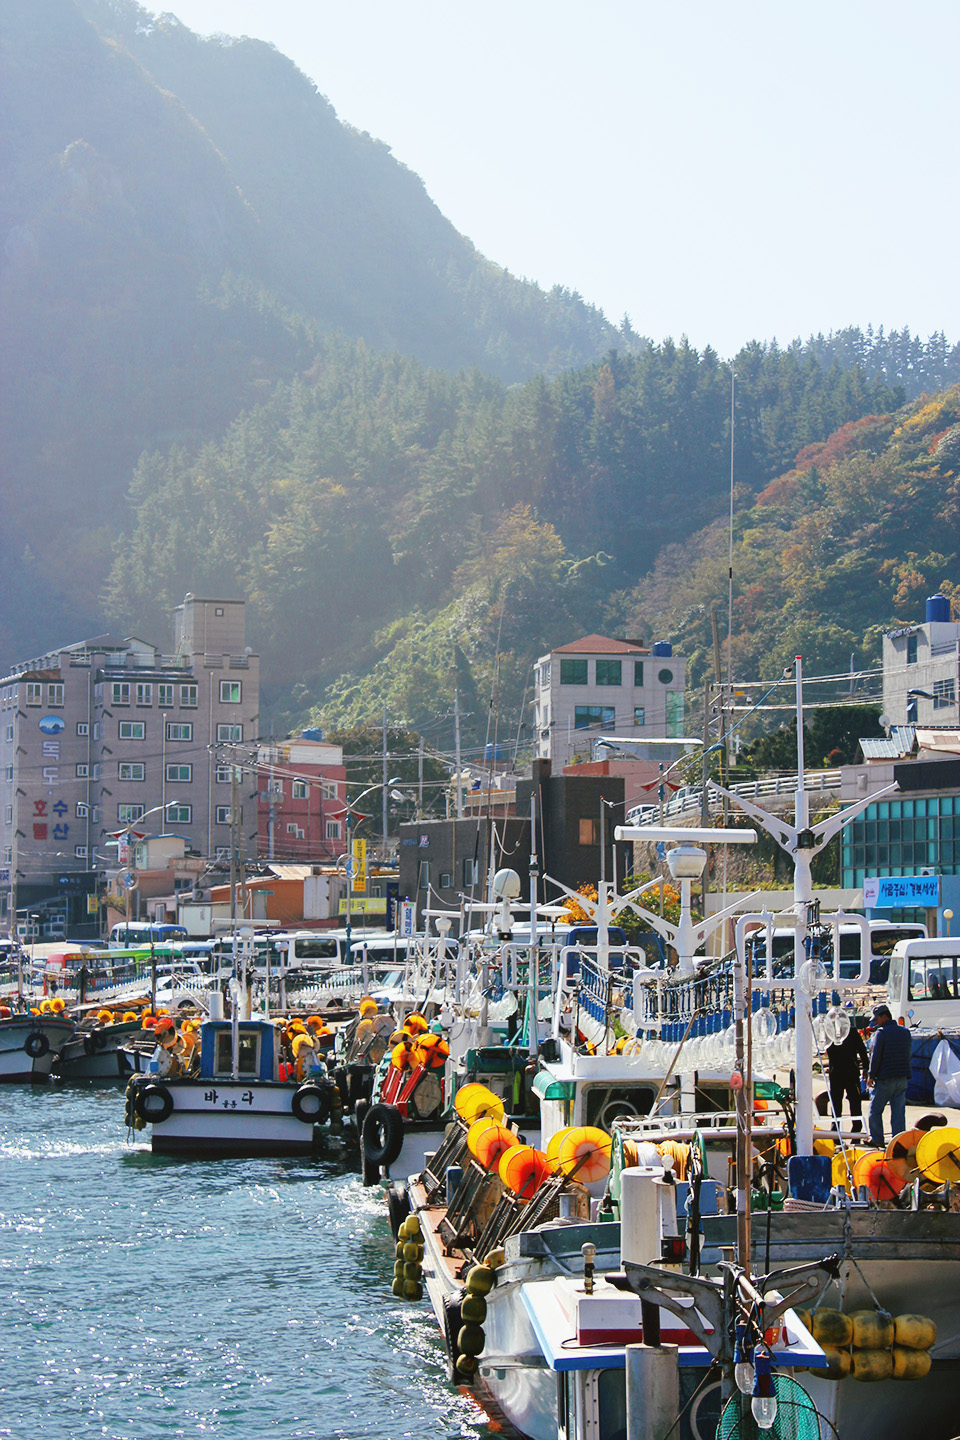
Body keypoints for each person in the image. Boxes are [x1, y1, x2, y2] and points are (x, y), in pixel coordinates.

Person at [868, 1004, 913, 1147]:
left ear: (884, 1016)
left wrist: (871, 1075)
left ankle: (877, 1139)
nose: (876, 1022)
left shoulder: (881, 1033)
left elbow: (876, 1057)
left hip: (885, 1078)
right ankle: (898, 1143)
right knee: (898, 1113)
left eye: (877, 1019)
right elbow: (908, 1054)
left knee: (875, 1111)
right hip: (902, 1078)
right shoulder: (905, 1032)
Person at [825, 1022, 869, 1132]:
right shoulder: (829, 1033)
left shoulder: (851, 1031)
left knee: (854, 1102)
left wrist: (865, 1067)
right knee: (836, 1103)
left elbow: (862, 1050)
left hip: (850, 1072)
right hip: (837, 1073)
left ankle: (856, 1127)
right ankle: (835, 1128)